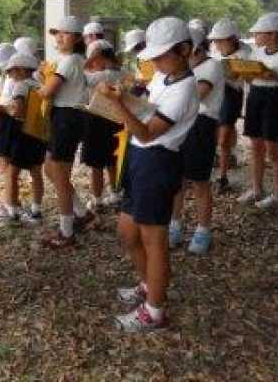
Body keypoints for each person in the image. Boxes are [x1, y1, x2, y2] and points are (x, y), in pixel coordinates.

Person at [98, 17, 199, 332]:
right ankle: (148, 285)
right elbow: (146, 103)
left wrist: (118, 104)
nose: (154, 61)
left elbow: (146, 132)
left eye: (161, 55)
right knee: (129, 231)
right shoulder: (164, 76)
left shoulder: (185, 89)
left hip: (158, 161)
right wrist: (126, 92)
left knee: (154, 240)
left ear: (184, 50)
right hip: (140, 160)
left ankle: (154, 311)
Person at [39, 16, 97, 248]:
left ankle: (66, 232)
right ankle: (81, 213)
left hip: (67, 118)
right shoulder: (71, 60)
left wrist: (39, 80)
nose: (59, 37)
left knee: (60, 175)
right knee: (50, 169)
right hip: (66, 117)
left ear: (75, 38)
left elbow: (47, 92)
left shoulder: (69, 61)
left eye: (64, 33)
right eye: (56, 33)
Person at [170, 27, 225, 255]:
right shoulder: (182, 69)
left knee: (199, 181)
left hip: (201, 124)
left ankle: (203, 230)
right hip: (179, 124)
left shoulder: (211, 66)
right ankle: (174, 225)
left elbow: (196, 95)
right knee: (177, 180)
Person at [239, 12, 278, 208]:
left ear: (273, 34)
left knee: (273, 150)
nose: (255, 37)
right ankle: (257, 190)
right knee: (255, 146)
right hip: (255, 97)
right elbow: (249, 79)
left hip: (275, 100)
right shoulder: (255, 53)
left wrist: (274, 76)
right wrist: (241, 73)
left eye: (259, 33)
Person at [0, 51, 45, 223]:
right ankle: (37, 208)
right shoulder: (39, 84)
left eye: (12, 71)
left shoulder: (21, 86)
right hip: (38, 134)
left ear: (23, 70)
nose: (10, 75)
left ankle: (12, 210)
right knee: (36, 172)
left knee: (12, 173)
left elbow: (17, 109)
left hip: (21, 134)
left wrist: (2, 108)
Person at [207, 19, 252, 192]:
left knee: (224, 136)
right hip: (213, 94)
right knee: (213, 133)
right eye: (215, 40)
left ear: (232, 39)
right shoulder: (214, 51)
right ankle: (215, 166)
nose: (216, 44)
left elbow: (241, 78)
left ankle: (223, 176)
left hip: (231, 94)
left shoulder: (246, 53)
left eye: (220, 40)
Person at [82, 40, 123, 210]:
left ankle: (97, 198)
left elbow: (80, 76)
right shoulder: (123, 73)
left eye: (94, 59)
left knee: (96, 164)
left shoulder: (100, 76)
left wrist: (88, 60)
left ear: (99, 58)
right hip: (117, 122)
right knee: (112, 161)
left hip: (96, 122)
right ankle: (115, 193)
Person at [0, 42, 17, 182]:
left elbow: (13, 107)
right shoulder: (9, 78)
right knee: (2, 157)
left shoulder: (16, 80)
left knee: (5, 158)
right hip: (4, 120)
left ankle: (7, 191)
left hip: (9, 122)